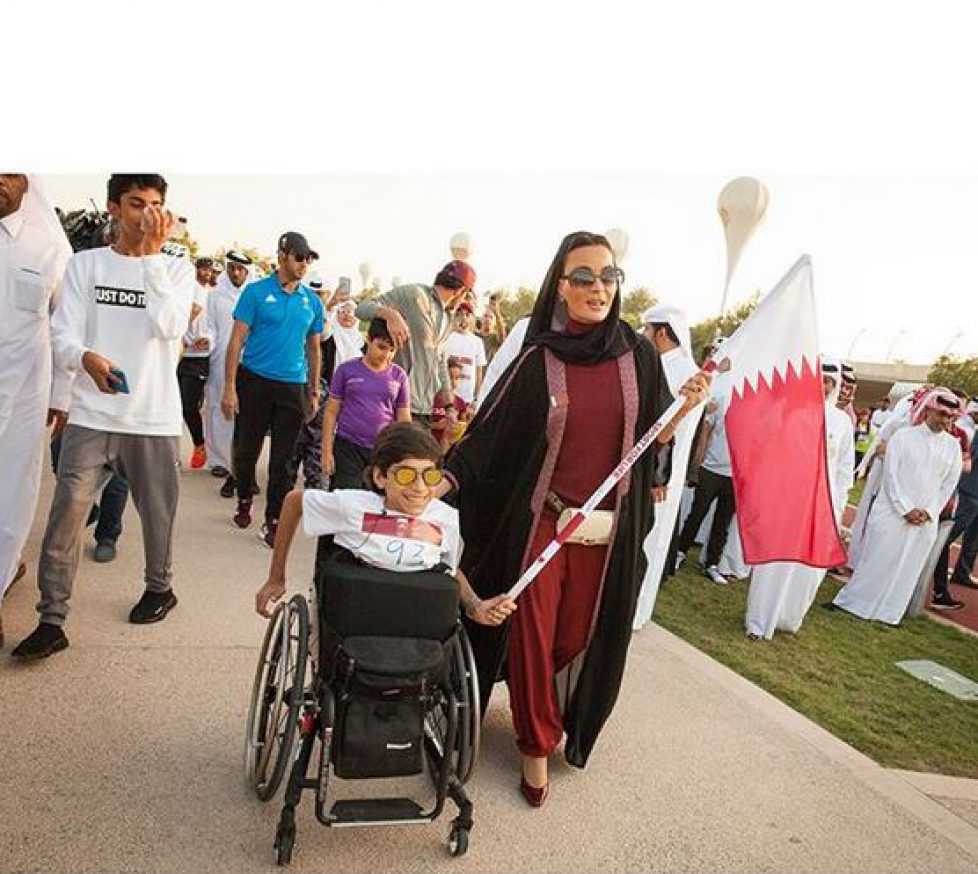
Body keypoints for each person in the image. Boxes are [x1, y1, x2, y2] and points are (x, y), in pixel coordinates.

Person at [438, 231, 708, 806]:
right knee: (533, 632)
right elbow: (489, 434)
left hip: (608, 534)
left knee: (575, 635)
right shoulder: (540, 359)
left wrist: (685, 405)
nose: (597, 288)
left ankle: (541, 706)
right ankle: (535, 744)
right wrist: (443, 478)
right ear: (560, 287)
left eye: (608, 276)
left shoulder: (638, 355)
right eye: (582, 277)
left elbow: (651, 438)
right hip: (544, 528)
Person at [12, 173, 195, 660]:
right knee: (66, 516)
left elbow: (170, 325)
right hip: (92, 414)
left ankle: (160, 588)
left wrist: (153, 258)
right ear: (114, 208)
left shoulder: (177, 269)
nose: (147, 214)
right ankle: (51, 619)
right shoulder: (84, 265)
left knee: (158, 517)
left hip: (152, 418)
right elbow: (61, 333)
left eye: (155, 204)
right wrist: (85, 359)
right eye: (136, 203)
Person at [255, 421, 515, 629]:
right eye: (405, 474)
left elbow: (450, 570)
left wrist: (474, 605)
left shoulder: (444, 516)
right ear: (380, 477)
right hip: (357, 615)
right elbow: (293, 502)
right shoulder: (354, 505)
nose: (419, 487)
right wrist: (276, 577)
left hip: (417, 625)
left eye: (430, 476)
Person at [0, 174, 72, 648]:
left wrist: (61, 394)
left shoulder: (49, 247)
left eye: (8, 172)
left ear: (28, 180)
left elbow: (65, 324)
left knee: (10, 496)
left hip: (24, 396)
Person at [221, 232, 324, 548]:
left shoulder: (312, 301)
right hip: (254, 380)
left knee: (284, 459)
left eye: (308, 259)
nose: (304, 264)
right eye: (299, 257)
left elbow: (314, 349)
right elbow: (236, 340)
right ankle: (244, 495)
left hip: (292, 385)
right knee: (246, 450)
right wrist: (229, 387)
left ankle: (273, 520)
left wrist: (314, 392)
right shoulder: (255, 293)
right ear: (282, 257)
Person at [745, 357, 855, 639]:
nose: (824, 386)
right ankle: (759, 622)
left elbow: (844, 471)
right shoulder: (789, 411)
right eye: (820, 379)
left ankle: (787, 619)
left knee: (806, 570)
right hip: (786, 501)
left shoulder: (842, 422)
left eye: (829, 382)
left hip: (821, 509)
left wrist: (837, 507)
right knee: (774, 563)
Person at [831, 388, 962, 625]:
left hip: (925, 520)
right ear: (929, 410)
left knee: (907, 568)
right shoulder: (903, 437)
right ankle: (854, 603)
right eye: (942, 415)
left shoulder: (953, 447)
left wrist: (928, 511)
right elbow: (891, 476)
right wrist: (906, 508)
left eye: (950, 417)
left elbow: (948, 484)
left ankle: (888, 613)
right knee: (877, 558)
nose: (946, 421)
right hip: (892, 512)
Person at [633, 304, 703, 628]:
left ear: (661, 332)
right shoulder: (679, 367)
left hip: (655, 476)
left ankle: (631, 612)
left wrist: (655, 475)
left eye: (646, 330)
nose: (643, 336)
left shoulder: (676, 370)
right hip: (656, 473)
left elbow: (664, 430)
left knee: (644, 544)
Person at [354, 260, 474, 427]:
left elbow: (439, 362)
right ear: (462, 291)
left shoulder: (448, 318)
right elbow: (362, 309)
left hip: (423, 410)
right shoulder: (414, 294)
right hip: (393, 402)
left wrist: (449, 406)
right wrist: (389, 314)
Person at [322, 318, 411, 490]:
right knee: (345, 501)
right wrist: (326, 452)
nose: (386, 355)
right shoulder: (346, 370)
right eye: (381, 347)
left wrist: (403, 455)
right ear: (368, 340)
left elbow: (403, 417)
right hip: (347, 447)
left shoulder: (399, 376)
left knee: (375, 506)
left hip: (382, 450)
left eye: (392, 350)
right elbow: (331, 411)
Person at [674, 388, 736, 585]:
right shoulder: (723, 399)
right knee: (697, 514)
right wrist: (696, 466)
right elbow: (704, 434)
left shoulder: (760, 408)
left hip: (736, 477)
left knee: (723, 522)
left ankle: (711, 564)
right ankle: (680, 552)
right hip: (710, 469)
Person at [204, 250, 254, 497]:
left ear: (247, 272)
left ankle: (241, 466)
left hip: (250, 363)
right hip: (220, 359)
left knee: (244, 414)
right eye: (232, 268)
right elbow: (210, 327)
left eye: (240, 269)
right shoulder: (215, 296)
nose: (235, 273)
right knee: (217, 408)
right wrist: (207, 341)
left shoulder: (255, 295)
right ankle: (219, 461)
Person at [179, 257, 215, 469]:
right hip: (177, 356)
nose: (206, 273)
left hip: (197, 358)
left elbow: (215, 326)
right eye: (202, 269)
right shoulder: (184, 288)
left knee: (188, 405)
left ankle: (199, 444)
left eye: (209, 270)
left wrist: (208, 338)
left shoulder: (208, 293)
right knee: (174, 406)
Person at [442, 302, 487, 404]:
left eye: (467, 315)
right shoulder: (446, 337)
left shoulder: (477, 341)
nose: (464, 318)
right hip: (446, 396)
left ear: (472, 319)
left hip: (467, 397)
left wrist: (476, 397)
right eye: (460, 314)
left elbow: (479, 371)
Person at [431, 356, 474, 451]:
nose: (453, 382)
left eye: (457, 378)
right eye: (450, 378)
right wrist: (437, 425)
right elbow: (418, 423)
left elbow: (462, 425)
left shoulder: (460, 402)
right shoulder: (429, 399)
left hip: (447, 449)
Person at [478, 295, 507, 363]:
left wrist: (497, 313)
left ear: (494, 322)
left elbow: (502, 334)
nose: (487, 319)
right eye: (485, 316)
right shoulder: (475, 335)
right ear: (481, 319)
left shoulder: (495, 338)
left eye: (491, 317)